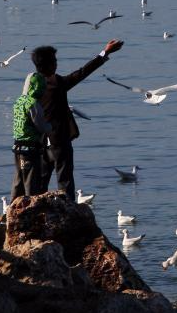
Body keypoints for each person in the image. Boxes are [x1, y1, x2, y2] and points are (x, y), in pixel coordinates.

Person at [32, 39, 123, 196]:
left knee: (40, 182)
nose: (57, 64)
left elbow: (80, 73)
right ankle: (68, 213)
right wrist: (105, 53)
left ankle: (40, 212)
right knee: (65, 182)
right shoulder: (55, 85)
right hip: (58, 139)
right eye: (54, 61)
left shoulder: (33, 86)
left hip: (40, 141)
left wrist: (104, 53)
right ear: (48, 65)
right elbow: (81, 73)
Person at [10, 72, 52, 200]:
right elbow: (40, 126)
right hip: (30, 150)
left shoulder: (19, 101)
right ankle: (30, 211)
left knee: (18, 181)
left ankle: (12, 209)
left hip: (17, 147)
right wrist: (50, 126)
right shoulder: (32, 103)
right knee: (31, 183)